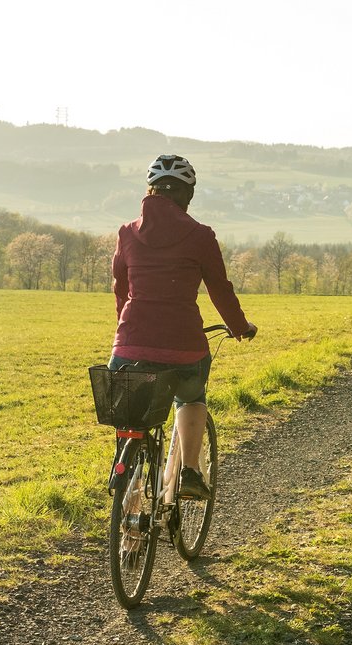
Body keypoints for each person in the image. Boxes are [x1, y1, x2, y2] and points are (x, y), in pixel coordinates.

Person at [110, 154, 258, 501]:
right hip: (183, 346)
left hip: (130, 345)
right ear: (187, 194)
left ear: (150, 190)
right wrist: (239, 327)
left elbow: (121, 288)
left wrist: (125, 328)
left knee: (131, 419)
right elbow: (220, 289)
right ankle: (189, 471)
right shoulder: (200, 236)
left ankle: (126, 485)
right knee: (191, 397)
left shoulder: (127, 233)